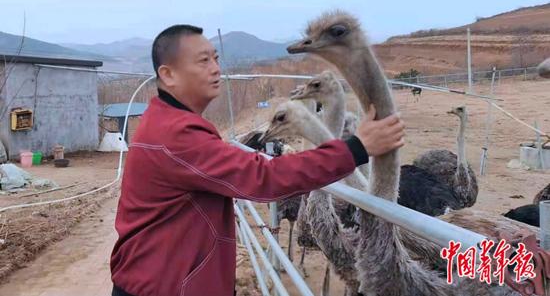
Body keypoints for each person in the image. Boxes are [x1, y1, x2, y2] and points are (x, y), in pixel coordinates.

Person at [110, 24, 405, 296]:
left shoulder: (163, 121)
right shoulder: (175, 133)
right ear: (169, 75)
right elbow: (264, 178)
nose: (216, 69)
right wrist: (355, 148)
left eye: (215, 58)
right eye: (203, 61)